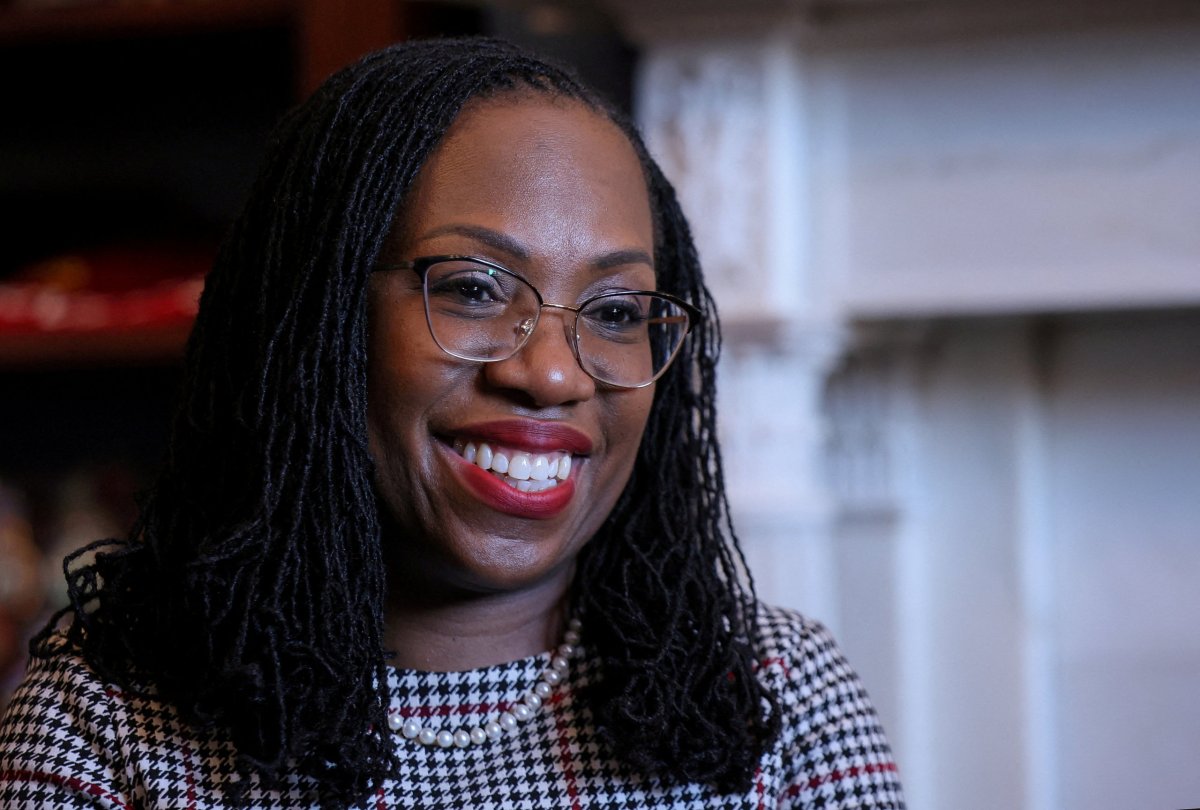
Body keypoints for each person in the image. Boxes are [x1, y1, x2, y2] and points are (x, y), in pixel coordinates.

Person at [0, 37, 904, 809]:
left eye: (618, 311)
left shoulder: (779, 698)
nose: (551, 373)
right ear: (318, 316)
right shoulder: (110, 719)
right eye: (475, 289)